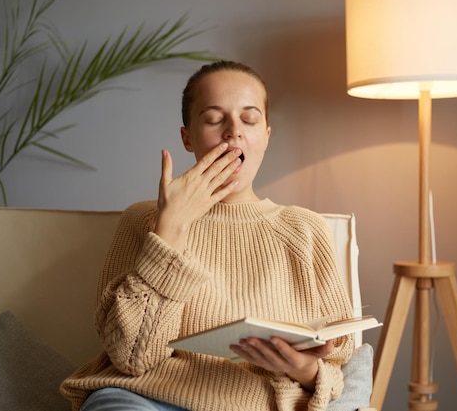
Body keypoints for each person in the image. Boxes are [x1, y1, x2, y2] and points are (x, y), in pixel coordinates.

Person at [60, 60, 355, 411]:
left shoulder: (305, 229)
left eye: (249, 119)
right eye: (215, 119)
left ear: (266, 135)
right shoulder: (143, 219)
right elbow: (131, 357)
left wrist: (305, 369)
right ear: (188, 137)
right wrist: (170, 228)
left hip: (252, 403)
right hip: (143, 399)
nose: (233, 132)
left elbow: (338, 359)